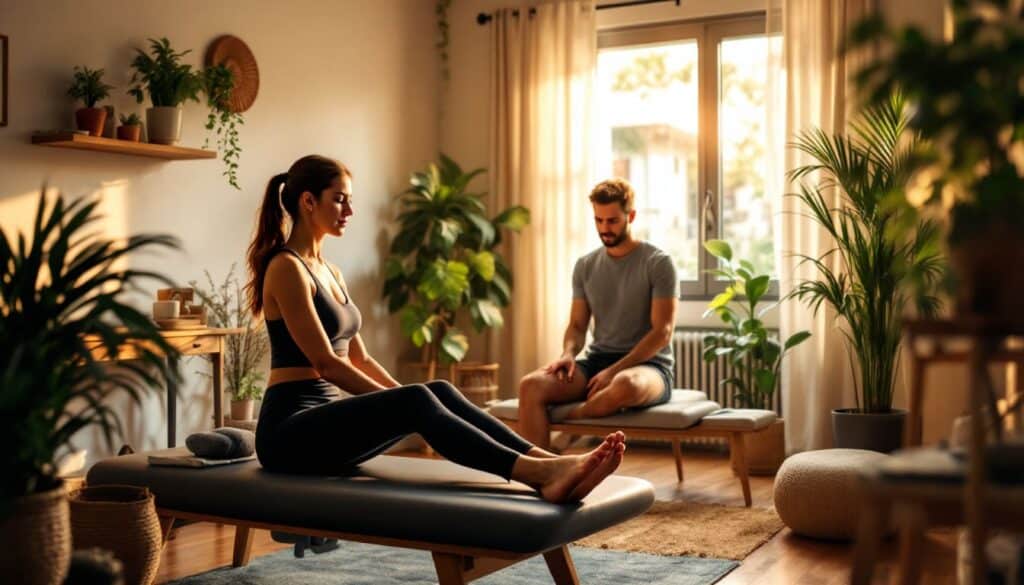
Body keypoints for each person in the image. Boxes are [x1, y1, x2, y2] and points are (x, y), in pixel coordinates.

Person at [245, 154, 626, 504]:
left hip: (326, 426)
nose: (350, 210)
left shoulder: (330, 271)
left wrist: (415, 399)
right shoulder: (286, 267)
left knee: (434, 390)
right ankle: (539, 474)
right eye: (340, 199)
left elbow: (360, 358)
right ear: (308, 201)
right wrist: (405, 405)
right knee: (416, 399)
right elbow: (327, 364)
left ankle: (545, 459)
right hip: (289, 433)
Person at [517, 178, 678, 449]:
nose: (605, 228)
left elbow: (662, 333)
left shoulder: (658, 263)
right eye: (598, 220)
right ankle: (541, 473)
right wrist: (568, 354)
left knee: (626, 384)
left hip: (650, 367)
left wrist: (614, 371)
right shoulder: (585, 266)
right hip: (596, 363)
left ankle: (569, 427)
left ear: (632, 216)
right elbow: (577, 325)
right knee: (530, 385)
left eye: (613, 221)